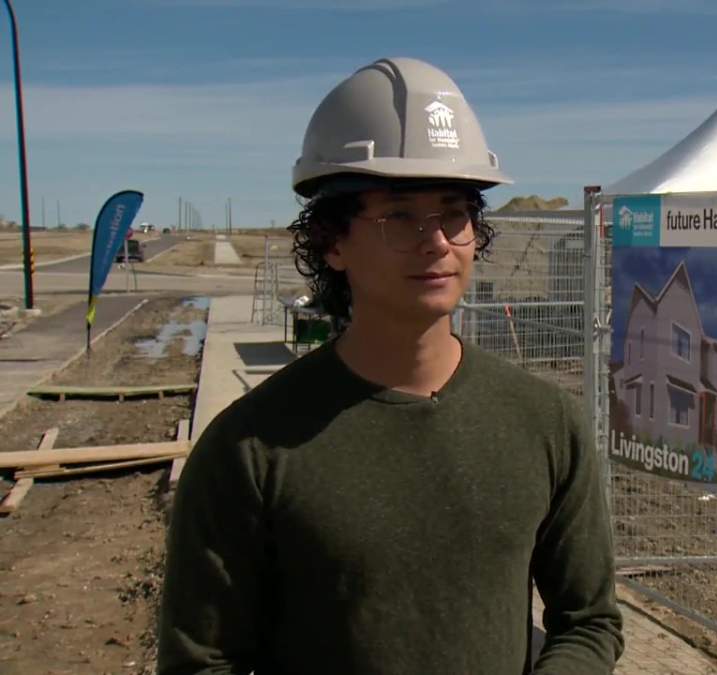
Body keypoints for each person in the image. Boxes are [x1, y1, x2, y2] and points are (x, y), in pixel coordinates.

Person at [157, 57, 624, 674]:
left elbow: (589, 623)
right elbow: (201, 662)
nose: (436, 241)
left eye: (454, 213)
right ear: (332, 242)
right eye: (400, 216)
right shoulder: (250, 451)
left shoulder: (545, 424)